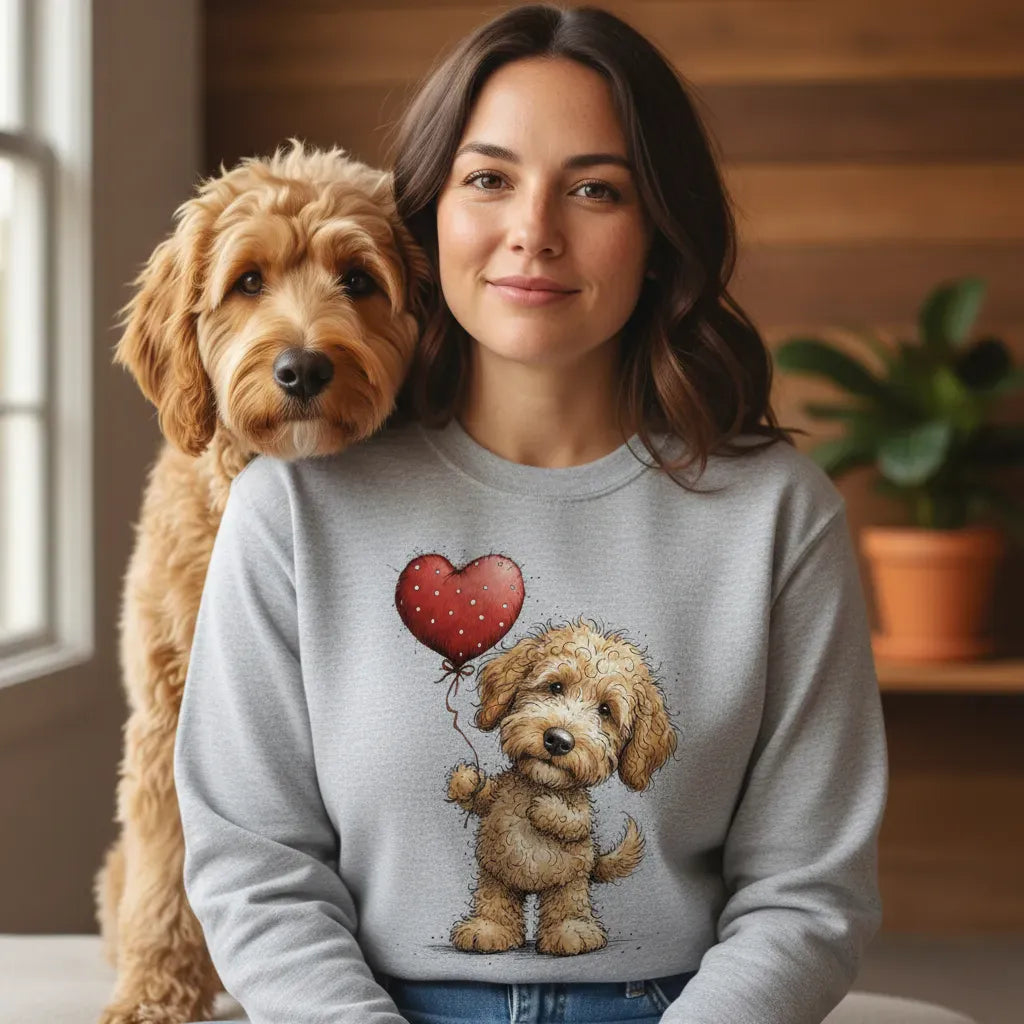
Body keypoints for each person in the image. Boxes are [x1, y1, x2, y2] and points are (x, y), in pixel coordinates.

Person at [174, 5, 888, 1024]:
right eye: (489, 179)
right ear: (429, 215)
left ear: (660, 229)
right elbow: (255, 865)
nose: (534, 232)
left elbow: (807, 892)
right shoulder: (291, 506)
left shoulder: (778, 516)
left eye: (595, 189)